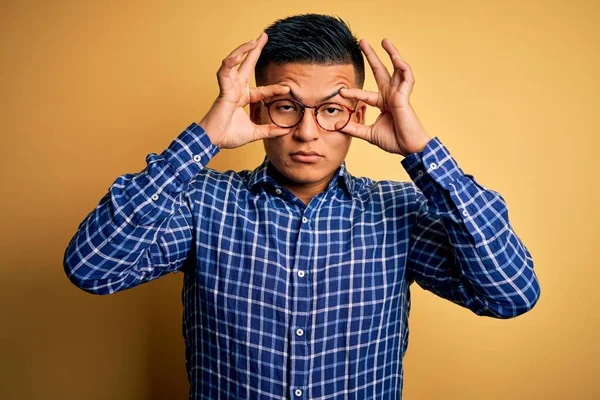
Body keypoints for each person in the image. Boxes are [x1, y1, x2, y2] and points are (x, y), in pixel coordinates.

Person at [63, 14, 540, 400]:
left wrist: (422, 154)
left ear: (357, 114)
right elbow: (92, 268)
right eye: (287, 106)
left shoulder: (400, 213)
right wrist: (203, 138)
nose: (307, 132)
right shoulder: (201, 203)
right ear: (255, 109)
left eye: (331, 109)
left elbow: (511, 294)